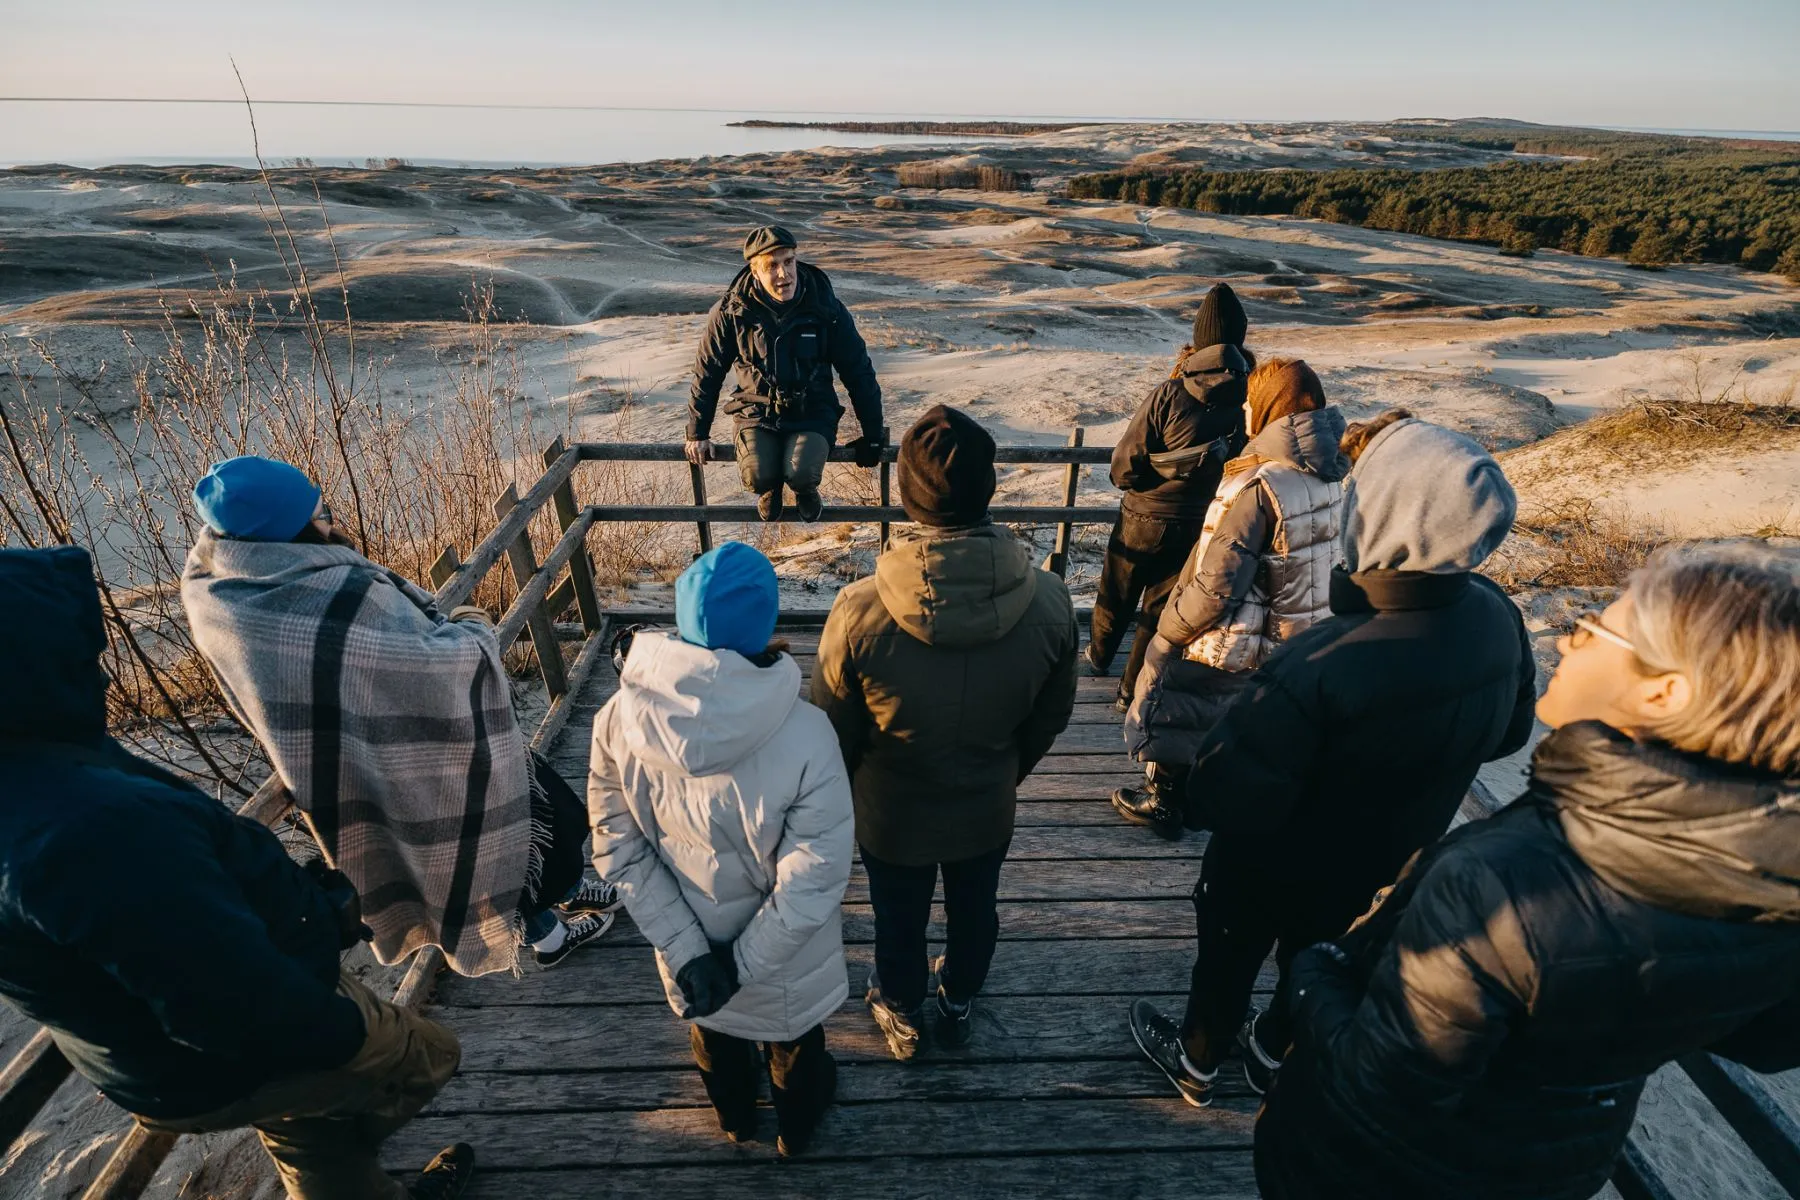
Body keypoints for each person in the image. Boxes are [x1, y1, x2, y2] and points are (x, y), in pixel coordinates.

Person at [1259, 541, 1800, 1200]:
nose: (1569, 644)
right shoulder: (1772, 878)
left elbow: (1382, 1085)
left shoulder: (1506, 884)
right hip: (1554, 1166)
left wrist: (1318, 974)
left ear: (1665, 692)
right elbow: (1771, 1042)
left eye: (1594, 629)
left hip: (1373, 1171)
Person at [0, 546, 473, 1200]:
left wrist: (299, 903)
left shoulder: (36, 764)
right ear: (30, 676)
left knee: (307, 1128)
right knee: (426, 1056)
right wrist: (337, 1032)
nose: (105, 681)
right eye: (81, 663)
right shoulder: (85, 829)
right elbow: (232, 1003)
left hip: (148, 1058)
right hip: (221, 1057)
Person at [1127, 413, 1536, 1107]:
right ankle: (1270, 1055)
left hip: (1267, 866)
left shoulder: (1322, 661)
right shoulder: (1497, 619)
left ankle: (1197, 1062)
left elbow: (1223, 795)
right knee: (1314, 963)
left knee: (1227, 959)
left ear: (1380, 516)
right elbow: (1507, 735)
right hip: (1387, 862)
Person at [180, 456, 619, 978]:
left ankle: (568, 890)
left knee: (539, 821)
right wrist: (472, 627)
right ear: (285, 531)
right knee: (493, 841)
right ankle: (549, 936)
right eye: (319, 512)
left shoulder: (221, 587)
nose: (330, 518)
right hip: (414, 752)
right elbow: (439, 664)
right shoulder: (326, 593)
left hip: (366, 754)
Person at [811, 405, 1079, 1060]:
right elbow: (1053, 715)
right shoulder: (1048, 603)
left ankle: (899, 1007)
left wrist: (852, 794)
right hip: (986, 803)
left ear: (908, 497)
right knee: (975, 909)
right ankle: (959, 997)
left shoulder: (859, 611)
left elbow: (831, 731)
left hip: (891, 813)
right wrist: (1005, 768)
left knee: (897, 917)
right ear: (987, 490)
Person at [589, 542, 853, 1158]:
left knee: (712, 1033)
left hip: (687, 950)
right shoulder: (809, 733)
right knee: (793, 1045)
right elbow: (813, 877)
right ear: (767, 624)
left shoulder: (615, 720)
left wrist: (691, 955)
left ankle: (735, 1118)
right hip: (784, 959)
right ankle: (796, 1128)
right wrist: (743, 965)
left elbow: (617, 847)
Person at [1113, 358, 1348, 839]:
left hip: (1242, 628)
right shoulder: (1330, 474)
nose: (1243, 410)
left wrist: (1171, 628)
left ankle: (1165, 802)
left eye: (1250, 402)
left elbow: (1218, 583)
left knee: (1180, 694)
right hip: (1300, 629)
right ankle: (1215, 798)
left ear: (1269, 408)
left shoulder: (1260, 484)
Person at [1088, 283, 1252, 711]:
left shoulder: (1169, 393)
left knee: (1117, 593)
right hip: (1198, 523)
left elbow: (1124, 464)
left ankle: (1098, 658)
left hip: (1142, 516)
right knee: (1159, 608)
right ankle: (1130, 692)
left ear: (1198, 339)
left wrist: (1136, 483)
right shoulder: (1249, 399)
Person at [685, 225, 886, 523]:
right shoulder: (732, 312)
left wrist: (873, 435)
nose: (784, 274)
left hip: (813, 411)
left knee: (802, 472)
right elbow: (708, 371)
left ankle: (805, 490)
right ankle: (770, 488)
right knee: (757, 475)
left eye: (789, 261)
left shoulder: (825, 307)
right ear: (755, 272)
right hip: (756, 412)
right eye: (772, 266)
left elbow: (858, 371)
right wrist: (697, 433)